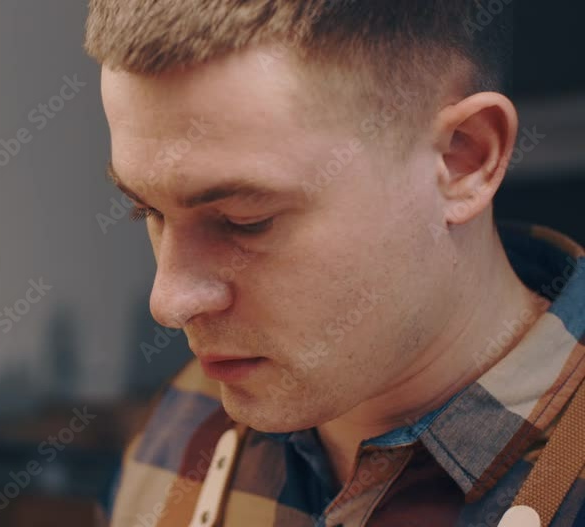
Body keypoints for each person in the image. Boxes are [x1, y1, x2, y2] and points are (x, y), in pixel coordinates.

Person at [84, 1, 584, 525]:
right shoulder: (182, 423)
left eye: (244, 220)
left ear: (464, 158)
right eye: (148, 210)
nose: (169, 302)